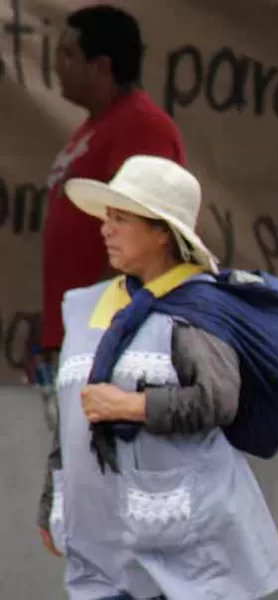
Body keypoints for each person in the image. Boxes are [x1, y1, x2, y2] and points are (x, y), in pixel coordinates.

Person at [38, 155, 278, 599]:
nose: (105, 229)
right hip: (102, 539)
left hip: (182, 545)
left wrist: (132, 406)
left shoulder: (196, 309)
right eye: (107, 217)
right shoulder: (83, 306)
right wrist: (51, 501)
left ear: (161, 232)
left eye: (121, 218)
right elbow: (71, 412)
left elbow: (218, 398)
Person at [39, 4, 185, 377]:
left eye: (68, 54)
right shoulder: (95, 126)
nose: (57, 64)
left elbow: (141, 236)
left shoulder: (140, 127)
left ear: (101, 66)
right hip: (78, 326)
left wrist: (110, 329)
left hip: (105, 333)